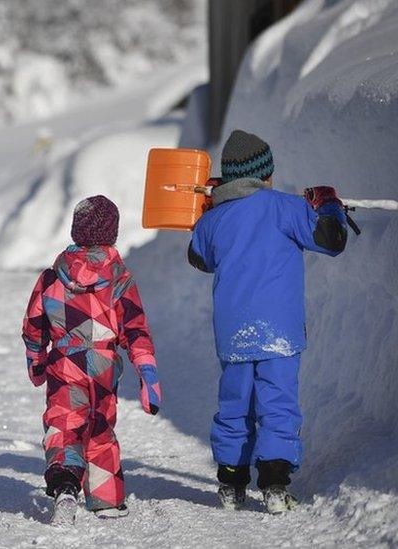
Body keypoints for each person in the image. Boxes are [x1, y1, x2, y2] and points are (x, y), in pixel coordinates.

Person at [188, 129, 348, 514]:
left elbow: (198, 258)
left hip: (234, 333)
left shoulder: (213, 220)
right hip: (279, 331)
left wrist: (208, 216)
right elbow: (332, 240)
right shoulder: (285, 207)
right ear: (265, 175)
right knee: (277, 404)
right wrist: (328, 205)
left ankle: (230, 483)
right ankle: (275, 485)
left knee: (234, 405)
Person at [21, 195, 161, 525]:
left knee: (65, 425)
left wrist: (36, 360)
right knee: (99, 427)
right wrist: (147, 372)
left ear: (75, 231)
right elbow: (135, 327)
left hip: (65, 363)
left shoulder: (52, 278)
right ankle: (106, 500)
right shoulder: (119, 280)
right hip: (104, 365)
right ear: (111, 235)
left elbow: (34, 324)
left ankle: (66, 485)